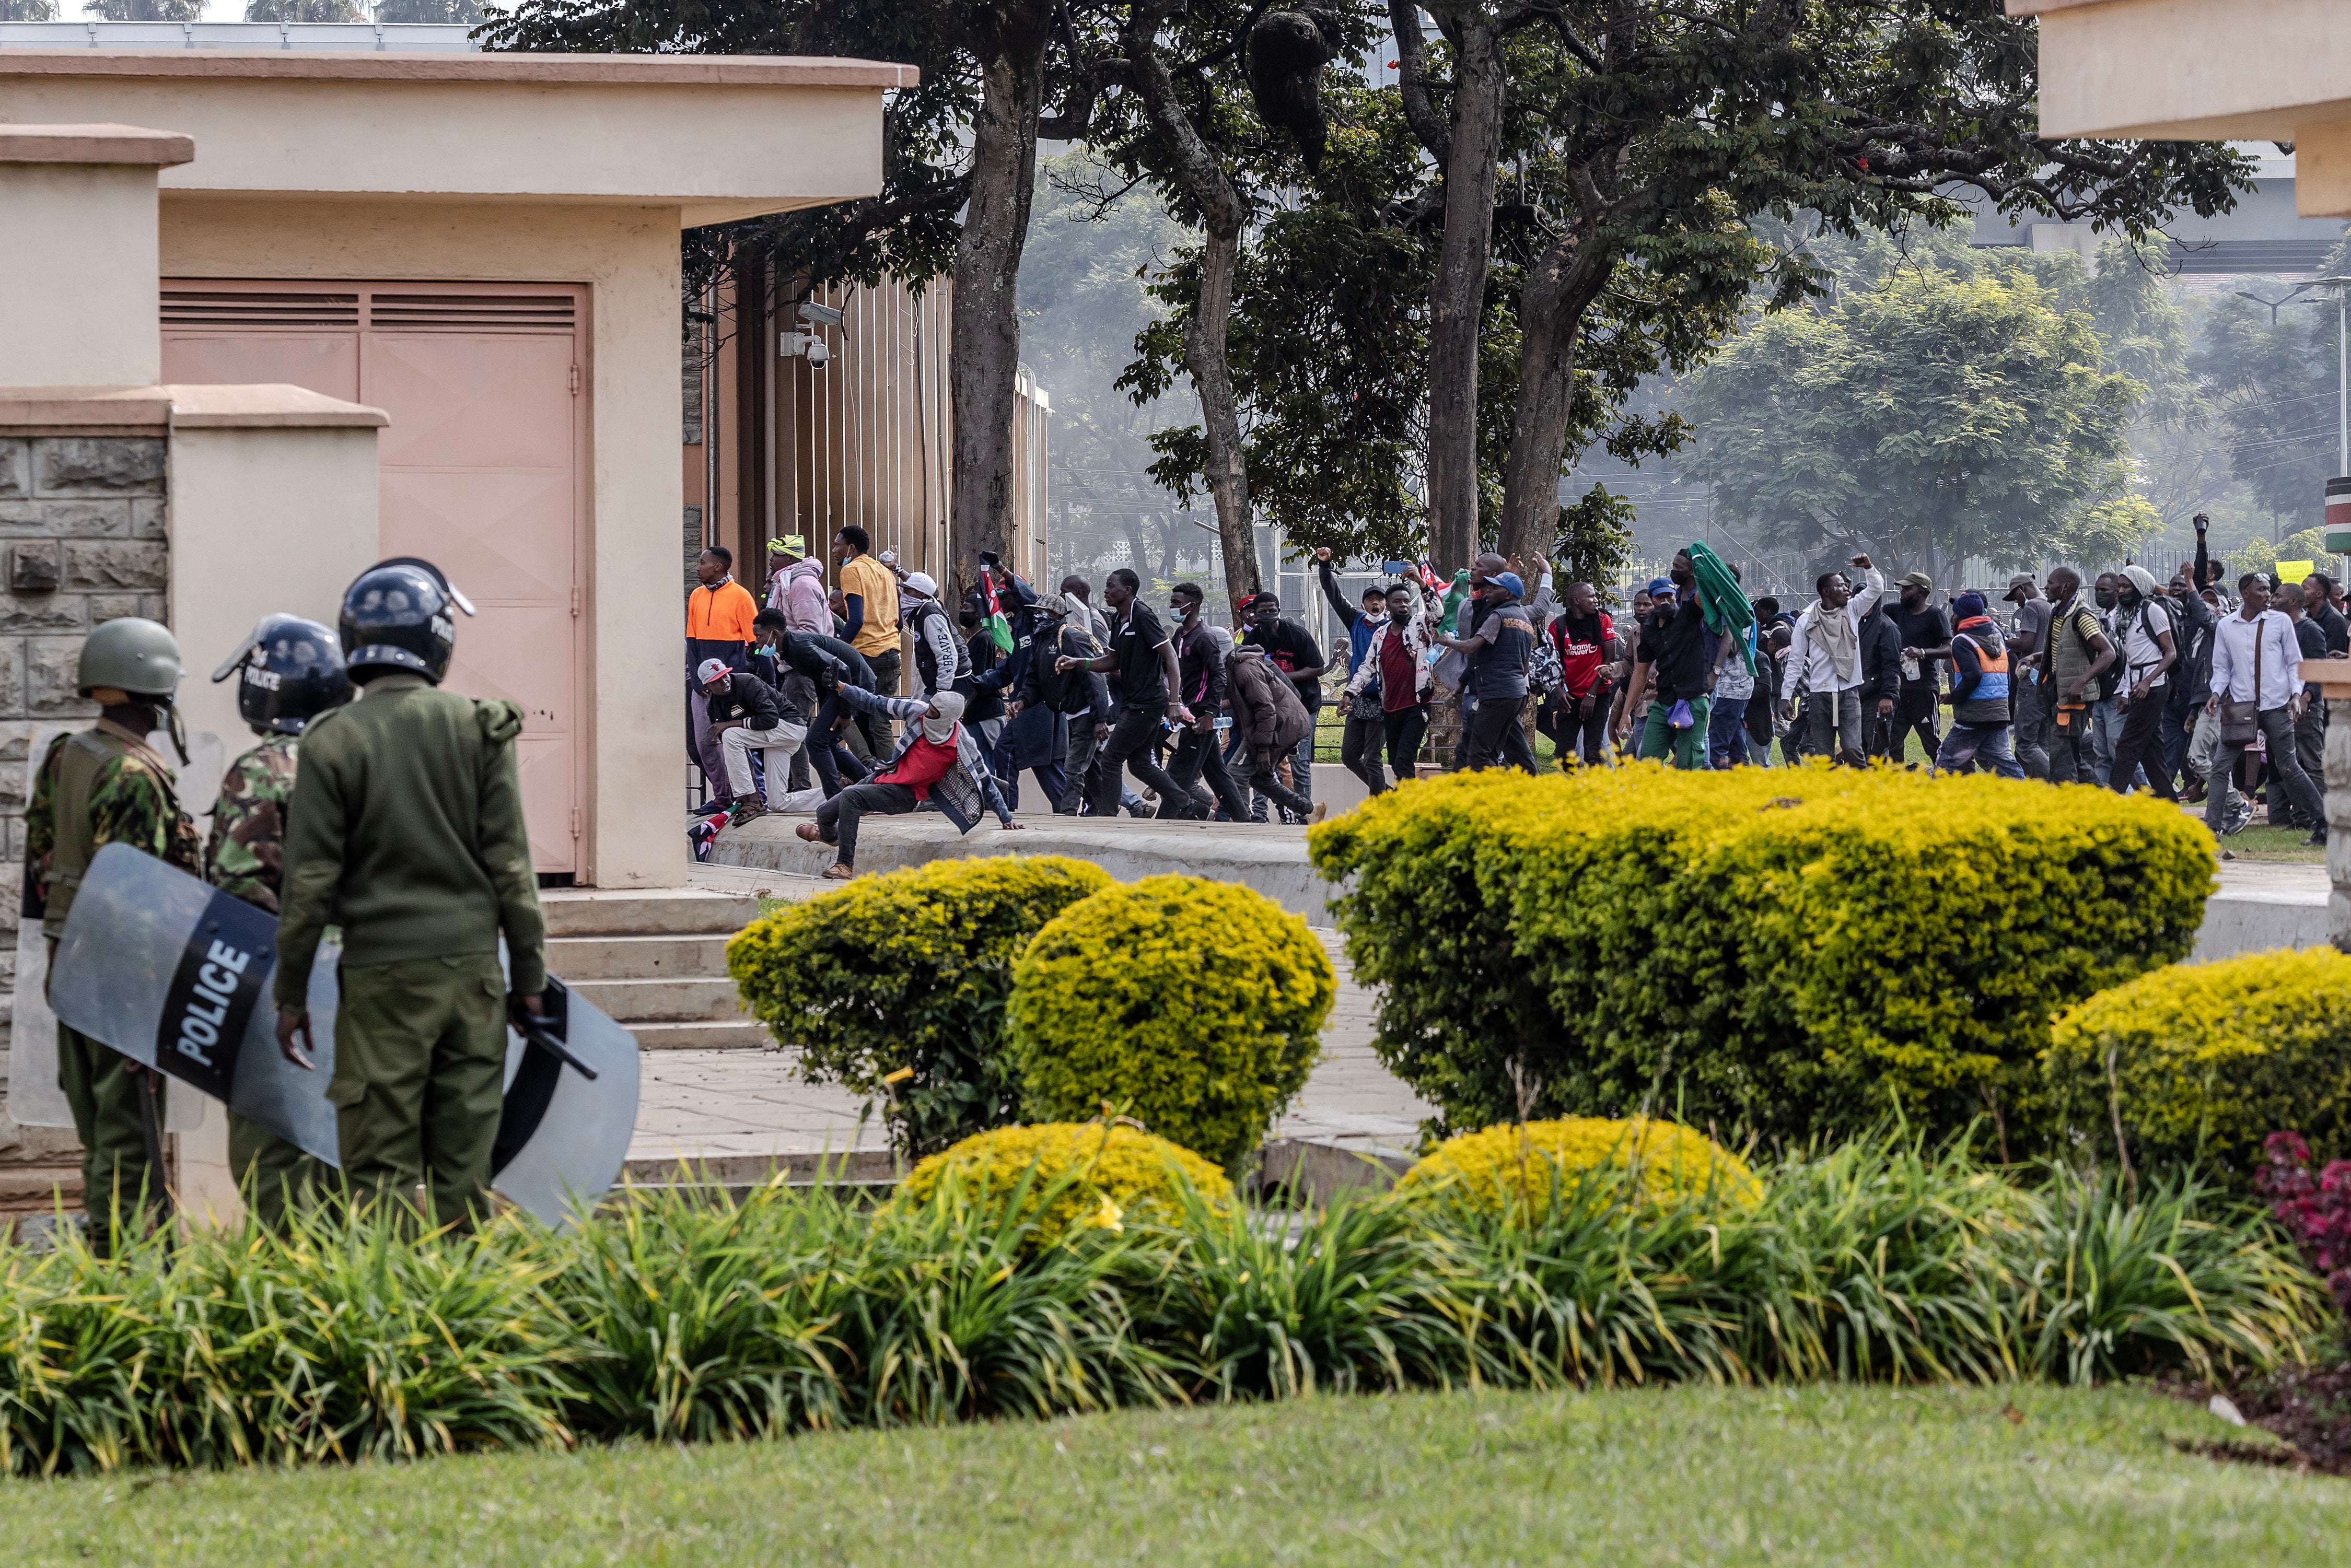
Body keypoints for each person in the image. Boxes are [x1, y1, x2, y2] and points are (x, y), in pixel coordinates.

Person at [274, 558, 546, 1231]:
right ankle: (463, 1317)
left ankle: (394, 1321)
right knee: (464, 1169)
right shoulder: (478, 727)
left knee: (379, 1167)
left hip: (379, 982)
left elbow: (307, 885)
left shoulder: (331, 739)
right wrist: (530, 977)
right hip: (473, 980)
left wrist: (291, 993)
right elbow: (512, 866)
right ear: (437, 639)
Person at [25, 617, 202, 1254]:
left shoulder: (65, 756)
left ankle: (107, 1246)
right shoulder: (132, 775)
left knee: (101, 1126)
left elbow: (45, 866)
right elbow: (134, 906)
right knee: (127, 1129)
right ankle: (127, 1264)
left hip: (71, 964)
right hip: (119, 979)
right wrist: (140, 1012)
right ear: (152, 690)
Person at [205, 614, 352, 1229]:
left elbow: (239, 891)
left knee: (271, 1158)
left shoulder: (262, 767)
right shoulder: (357, 760)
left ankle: (286, 1298)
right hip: (354, 986)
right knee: (340, 1155)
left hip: (280, 988)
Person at [792, 689, 1023, 877]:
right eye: (929, 707)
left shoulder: (963, 743)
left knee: (852, 796)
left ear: (950, 720)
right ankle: (830, 836)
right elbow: (875, 703)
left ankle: (845, 865)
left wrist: (1006, 817)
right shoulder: (917, 711)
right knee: (824, 812)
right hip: (885, 776)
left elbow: (985, 782)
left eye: (933, 713)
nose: (927, 714)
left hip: (908, 794)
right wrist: (844, 688)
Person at [1056, 567, 1202, 819]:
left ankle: (1108, 815)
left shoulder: (1143, 616)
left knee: (1111, 758)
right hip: (1134, 702)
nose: (1106, 591)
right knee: (1140, 764)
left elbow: (1170, 658)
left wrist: (1175, 702)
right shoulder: (1118, 621)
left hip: (1148, 702)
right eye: (1106, 586)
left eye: (1111, 586)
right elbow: (1112, 661)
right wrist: (1078, 661)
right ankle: (1189, 806)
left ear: (1128, 590)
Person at [2206, 572, 2326, 846]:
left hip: (2275, 706)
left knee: (2289, 767)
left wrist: (2297, 695)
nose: (2268, 596)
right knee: (2219, 767)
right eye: (2261, 590)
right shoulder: (2226, 626)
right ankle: (2211, 829)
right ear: (2245, 593)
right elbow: (2222, 667)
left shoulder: (2280, 622)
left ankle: (2323, 824)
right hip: (2241, 708)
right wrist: (2216, 692)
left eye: (2269, 590)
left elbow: (2294, 663)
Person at [754, 609, 875, 798]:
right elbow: (820, 678)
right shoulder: (790, 649)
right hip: (842, 688)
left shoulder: (800, 647)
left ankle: (835, 800)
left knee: (815, 742)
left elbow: (842, 670)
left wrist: (844, 714)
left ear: (774, 634)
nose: (757, 641)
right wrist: (827, 704)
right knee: (827, 742)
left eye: (759, 636)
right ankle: (870, 789)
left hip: (855, 684)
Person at [1779, 555, 1884, 767]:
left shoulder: (1853, 610)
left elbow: (1877, 589)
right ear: (1826, 592)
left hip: (1849, 691)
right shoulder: (1807, 620)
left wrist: (1869, 567)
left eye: (1847, 587)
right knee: (1824, 755)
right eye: (1841, 587)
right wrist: (1786, 696)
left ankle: (1861, 793)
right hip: (1820, 694)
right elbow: (1796, 660)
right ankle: (1828, 795)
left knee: (1853, 748)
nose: (1847, 590)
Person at [1161, 582, 1254, 818]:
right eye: (1172, 602)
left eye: (1176, 603)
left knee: (1179, 774)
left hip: (1201, 716)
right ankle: (1244, 820)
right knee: (1217, 773)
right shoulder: (1181, 635)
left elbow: (1218, 676)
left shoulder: (1205, 637)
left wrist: (1210, 715)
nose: (1172, 607)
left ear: (1192, 606)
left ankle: (1163, 821)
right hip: (1189, 712)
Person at [1436, 568, 1541, 773]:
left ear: (1509, 594)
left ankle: (1500, 795)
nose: (1489, 591)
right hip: (1517, 694)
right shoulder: (1526, 621)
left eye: (1495, 588)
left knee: (1478, 756)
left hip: (1496, 694)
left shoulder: (1498, 616)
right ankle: (1531, 788)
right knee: (1508, 752)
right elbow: (1524, 665)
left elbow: (1472, 647)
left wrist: (1449, 641)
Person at [1314, 548, 1394, 796]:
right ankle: (1387, 794)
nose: (1375, 602)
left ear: (1386, 604)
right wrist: (1325, 565)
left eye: (1379, 599)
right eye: (1370, 599)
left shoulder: (1395, 627)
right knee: (1349, 756)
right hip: (1357, 696)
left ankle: (1377, 805)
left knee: (1372, 758)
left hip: (1382, 700)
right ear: (1363, 604)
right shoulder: (1357, 620)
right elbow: (1334, 595)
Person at [1241, 591, 1330, 814]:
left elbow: (1318, 668)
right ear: (1255, 614)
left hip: (1304, 707)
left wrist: (1280, 677)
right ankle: (1259, 813)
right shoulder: (1252, 641)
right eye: (1263, 612)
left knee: (1299, 762)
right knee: (1264, 762)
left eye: (1272, 611)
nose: (1269, 615)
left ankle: (1304, 814)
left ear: (1279, 612)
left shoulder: (1297, 635)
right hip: (1270, 708)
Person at [686, 545, 759, 811]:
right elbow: (691, 641)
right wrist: (696, 678)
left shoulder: (741, 597)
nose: (698, 567)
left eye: (703, 562)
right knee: (704, 742)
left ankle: (751, 797)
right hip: (702, 685)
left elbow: (755, 643)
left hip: (731, 684)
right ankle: (722, 798)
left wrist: (743, 679)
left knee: (735, 741)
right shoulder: (696, 595)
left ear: (718, 567)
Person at [1344, 577, 1436, 787]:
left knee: (1403, 762)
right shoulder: (1380, 634)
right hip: (1391, 709)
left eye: (1406, 601)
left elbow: (1437, 614)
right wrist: (1349, 694)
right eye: (1398, 602)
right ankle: (1402, 803)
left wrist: (1423, 586)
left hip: (1416, 706)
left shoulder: (1419, 626)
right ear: (1389, 606)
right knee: (1395, 762)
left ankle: (1408, 810)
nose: (1403, 605)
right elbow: (1368, 668)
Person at [696, 657, 805, 823]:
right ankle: (835, 793)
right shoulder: (714, 708)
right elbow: (736, 754)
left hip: (790, 727)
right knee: (779, 803)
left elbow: (770, 719)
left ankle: (753, 801)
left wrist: (731, 724)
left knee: (730, 735)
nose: (724, 681)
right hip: (775, 740)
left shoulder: (748, 682)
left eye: (724, 675)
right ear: (707, 687)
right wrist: (741, 792)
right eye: (716, 681)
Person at [2105, 566, 2179, 800]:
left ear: (2140, 588)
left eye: (2126, 587)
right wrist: (2127, 692)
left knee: (2127, 745)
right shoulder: (2122, 615)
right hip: (2137, 684)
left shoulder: (2153, 611)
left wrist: (2147, 682)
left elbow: (2170, 653)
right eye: (2120, 587)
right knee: (2151, 749)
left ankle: (2113, 798)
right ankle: (2168, 799)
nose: (2121, 591)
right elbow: (2129, 658)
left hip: (2154, 686)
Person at [1933, 592, 2024, 778]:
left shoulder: (1962, 641)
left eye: (1955, 613)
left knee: (1946, 762)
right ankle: (2031, 798)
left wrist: (1953, 697)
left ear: (1962, 615)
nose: (1953, 617)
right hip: (1999, 710)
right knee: (2005, 764)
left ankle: (1932, 802)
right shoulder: (1997, 633)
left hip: (1974, 714)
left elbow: (1974, 675)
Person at [2038, 566, 2115, 786]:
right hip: (2059, 694)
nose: (2046, 587)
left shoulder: (2082, 615)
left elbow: (2108, 652)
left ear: (2065, 588)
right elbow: (2064, 649)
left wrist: (2081, 681)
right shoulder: (2059, 612)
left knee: (2062, 761)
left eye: (2051, 583)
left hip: (2073, 699)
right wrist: (2036, 659)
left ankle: (2067, 811)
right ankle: (2107, 803)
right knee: (2072, 758)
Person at [1226, 643, 1319, 819]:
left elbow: (1266, 709)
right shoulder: (1235, 666)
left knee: (1236, 772)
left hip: (1280, 725)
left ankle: (1243, 822)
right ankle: (1309, 809)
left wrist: (1263, 749)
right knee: (1260, 778)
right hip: (1280, 724)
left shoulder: (1245, 669)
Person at [1536, 580, 1614, 768]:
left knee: (1592, 752)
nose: (1596, 601)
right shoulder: (1558, 627)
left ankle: (1593, 793)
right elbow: (1550, 662)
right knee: (1564, 755)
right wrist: (1558, 692)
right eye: (1591, 597)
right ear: (1576, 600)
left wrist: (1592, 694)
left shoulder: (1603, 620)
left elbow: (1609, 662)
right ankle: (1578, 786)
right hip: (1569, 698)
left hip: (1598, 695)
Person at [2278, 582, 2330, 830]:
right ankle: (2301, 817)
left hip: (2306, 708)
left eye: (2277, 596)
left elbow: (2319, 669)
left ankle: (2320, 818)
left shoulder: (2310, 630)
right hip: (2284, 705)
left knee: (2311, 762)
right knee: (2291, 764)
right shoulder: (2278, 630)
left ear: (2292, 602)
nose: (2271, 598)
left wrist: (2306, 698)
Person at [834, 524, 902, 698]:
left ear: (851, 548)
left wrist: (836, 650)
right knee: (880, 718)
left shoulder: (851, 570)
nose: (834, 550)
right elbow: (899, 622)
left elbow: (856, 620)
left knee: (855, 711)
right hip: (892, 655)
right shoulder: (886, 572)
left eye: (837, 545)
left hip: (866, 656)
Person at [1890, 572, 1950, 763]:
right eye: (1902, 589)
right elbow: (1871, 608)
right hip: (1899, 689)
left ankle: (1947, 777)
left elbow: (1949, 649)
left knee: (1930, 740)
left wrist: (1923, 652)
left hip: (1923, 688)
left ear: (1922, 592)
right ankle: (1896, 779)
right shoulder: (1897, 611)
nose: (1902, 593)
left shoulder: (1935, 615)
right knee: (1892, 739)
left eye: (1908, 589)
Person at [899, 571, 967, 699]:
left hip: (949, 683)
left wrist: (941, 691)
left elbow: (947, 653)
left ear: (921, 594)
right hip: (941, 682)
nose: (904, 595)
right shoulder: (923, 609)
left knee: (922, 717)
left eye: (908, 591)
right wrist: (895, 569)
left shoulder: (930, 614)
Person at [1858, 587, 1903, 761]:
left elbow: (1892, 666)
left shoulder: (1887, 627)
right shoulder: (1856, 625)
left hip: (1877, 697)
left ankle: (1879, 786)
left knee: (1876, 751)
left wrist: (1888, 696)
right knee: (1857, 748)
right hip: (1857, 696)